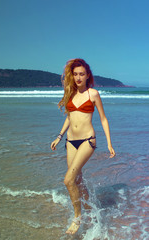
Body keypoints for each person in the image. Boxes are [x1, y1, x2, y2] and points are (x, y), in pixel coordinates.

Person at [51, 58, 116, 235]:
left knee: (68, 180)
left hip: (88, 141)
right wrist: (59, 136)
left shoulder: (93, 94)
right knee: (77, 179)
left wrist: (109, 143)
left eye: (82, 74)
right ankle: (91, 208)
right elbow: (69, 117)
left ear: (88, 76)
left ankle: (77, 217)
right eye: (76, 74)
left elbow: (103, 118)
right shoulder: (70, 92)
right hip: (70, 141)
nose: (79, 77)